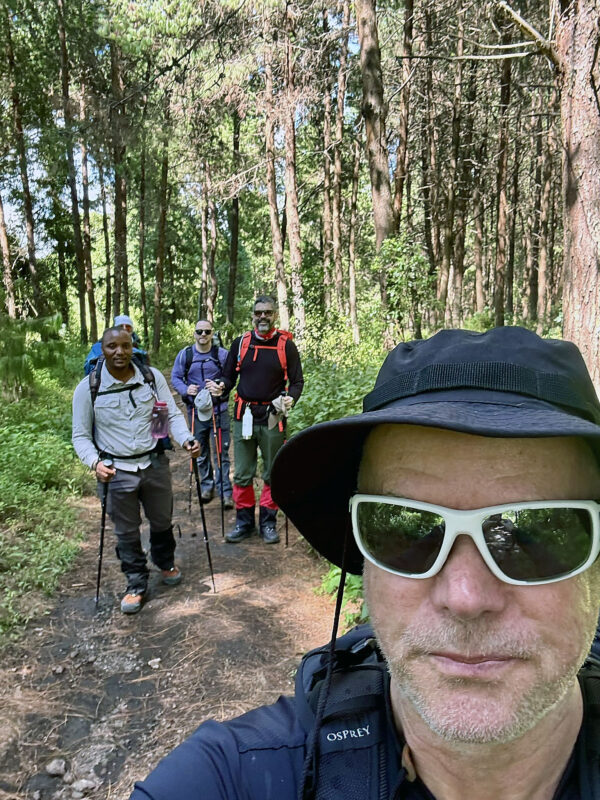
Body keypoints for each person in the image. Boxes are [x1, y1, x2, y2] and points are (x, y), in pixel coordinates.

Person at [130, 326, 600, 799]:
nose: (465, 598)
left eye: (535, 533)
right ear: (362, 552)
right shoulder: (232, 776)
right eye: (407, 530)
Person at [73, 327, 200, 615]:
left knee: (162, 519)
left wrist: (186, 439)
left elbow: (168, 416)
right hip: (116, 470)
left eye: (125, 346)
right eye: (112, 346)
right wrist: (95, 462)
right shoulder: (89, 387)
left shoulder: (150, 378)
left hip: (153, 462)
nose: (119, 352)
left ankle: (164, 562)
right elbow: (80, 435)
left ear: (133, 348)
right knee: (126, 530)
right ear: (102, 350)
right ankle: (136, 583)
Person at [207, 295, 304, 545]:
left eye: (268, 313)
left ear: (274, 315)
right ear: (252, 315)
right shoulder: (241, 343)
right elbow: (228, 376)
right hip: (244, 415)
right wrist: (221, 386)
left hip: (273, 416)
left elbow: (297, 381)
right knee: (242, 472)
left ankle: (268, 523)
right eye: (259, 312)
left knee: (272, 471)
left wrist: (291, 398)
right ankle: (244, 522)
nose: (263, 317)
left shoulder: (286, 345)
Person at [171, 320, 232, 507]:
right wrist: (185, 389)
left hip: (219, 411)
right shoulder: (186, 355)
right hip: (196, 412)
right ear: (194, 334)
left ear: (212, 333)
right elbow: (176, 377)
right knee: (201, 450)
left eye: (207, 331)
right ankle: (206, 486)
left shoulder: (221, 354)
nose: (203, 335)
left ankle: (225, 491)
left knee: (221, 452)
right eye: (199, 331)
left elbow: (231, 376)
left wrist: (220, 385)